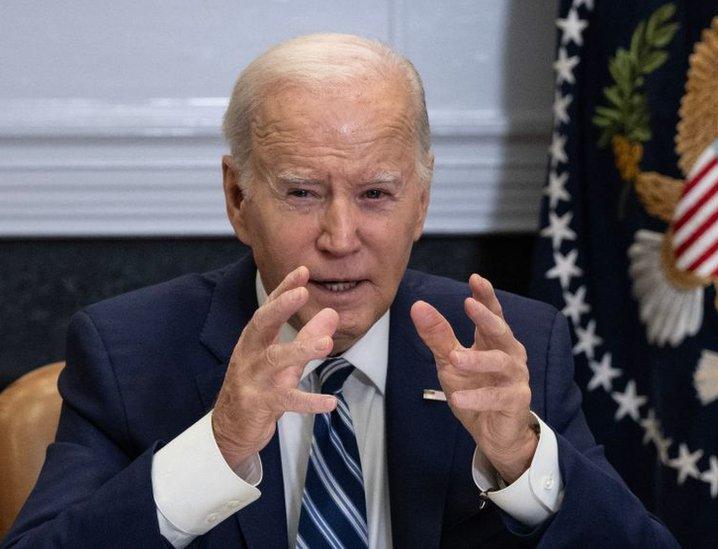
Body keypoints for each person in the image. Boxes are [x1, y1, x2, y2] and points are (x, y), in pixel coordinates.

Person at [3, 34, 677, 548]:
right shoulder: (130, 352)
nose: (341, 235)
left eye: (376, 193)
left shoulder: (517, 348)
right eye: (301, 192)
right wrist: (218, 445)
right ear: (238, 198)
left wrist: (524, 462)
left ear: (422, 200)